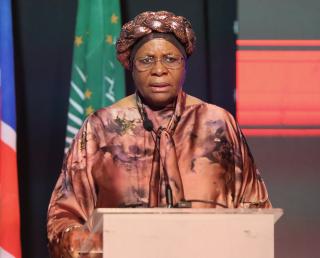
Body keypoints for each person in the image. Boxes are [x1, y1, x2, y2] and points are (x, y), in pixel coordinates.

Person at [47, 10, 271, 258]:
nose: (159, 70)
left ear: (184, 65)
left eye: (170, 59)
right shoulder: (101, 127)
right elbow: (64, 215)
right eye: (146, 60)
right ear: (130, 66)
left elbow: (255, 209)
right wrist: (77, 237)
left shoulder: (218, 124)